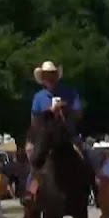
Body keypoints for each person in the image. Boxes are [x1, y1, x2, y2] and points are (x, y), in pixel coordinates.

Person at [27, 60, 85, 199]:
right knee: (35, 161)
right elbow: (35, 121)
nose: (50, 79)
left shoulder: (70, 93)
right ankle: (30, 193)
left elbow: (78, 114)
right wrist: (49, 112)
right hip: (46, 138)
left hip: (67, 135)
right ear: (43, 79)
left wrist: (65, 108)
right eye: (46, 76)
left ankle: (91, 187)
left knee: (84, 156)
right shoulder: (39, 97)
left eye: (52, 75)